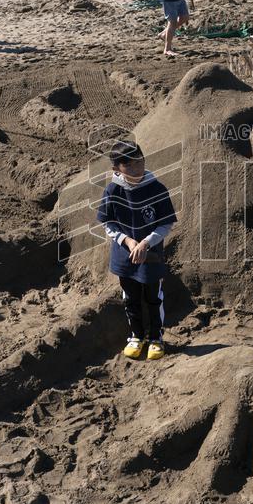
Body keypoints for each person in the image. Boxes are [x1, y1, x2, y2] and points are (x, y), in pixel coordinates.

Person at [96, 140, 177, 362]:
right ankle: (136, 336)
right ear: (116, 169)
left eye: (139, 162)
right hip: (124, 256)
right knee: (130, 298)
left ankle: (156, 338)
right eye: (129, 165)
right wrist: (128, 241)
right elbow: (108, 223)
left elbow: (166, 224)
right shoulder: (112, 190)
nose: (136, 169)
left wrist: (145, 243)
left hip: (150, 256)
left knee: (154, 298)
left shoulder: (157, 189)